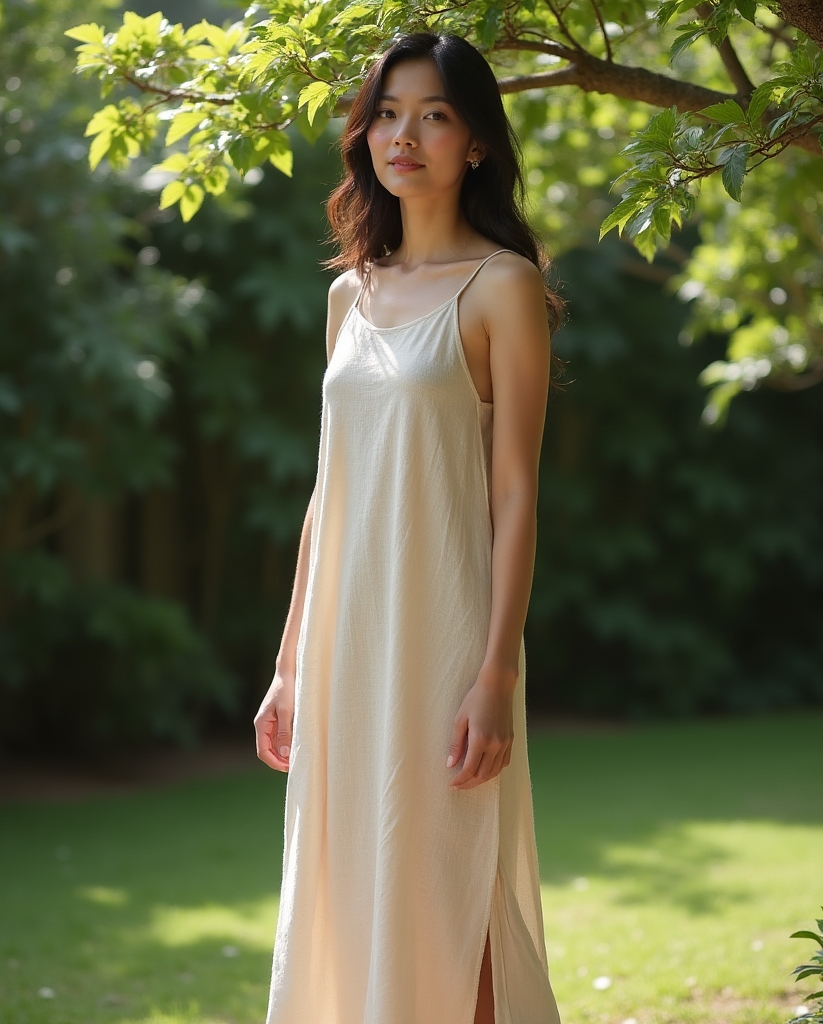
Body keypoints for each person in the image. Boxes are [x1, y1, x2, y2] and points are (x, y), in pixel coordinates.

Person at [254, 30, 563, 1024]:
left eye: (433, 114)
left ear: (475, 141)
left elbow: (514, 490)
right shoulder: (350, 293)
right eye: (387, 113)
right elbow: (326, 492)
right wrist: (290, 664)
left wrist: (496, 673)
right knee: (351, 888)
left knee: (451, 888)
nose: (405, 135)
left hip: (446, 640)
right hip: (346, 646)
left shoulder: (504, 287)